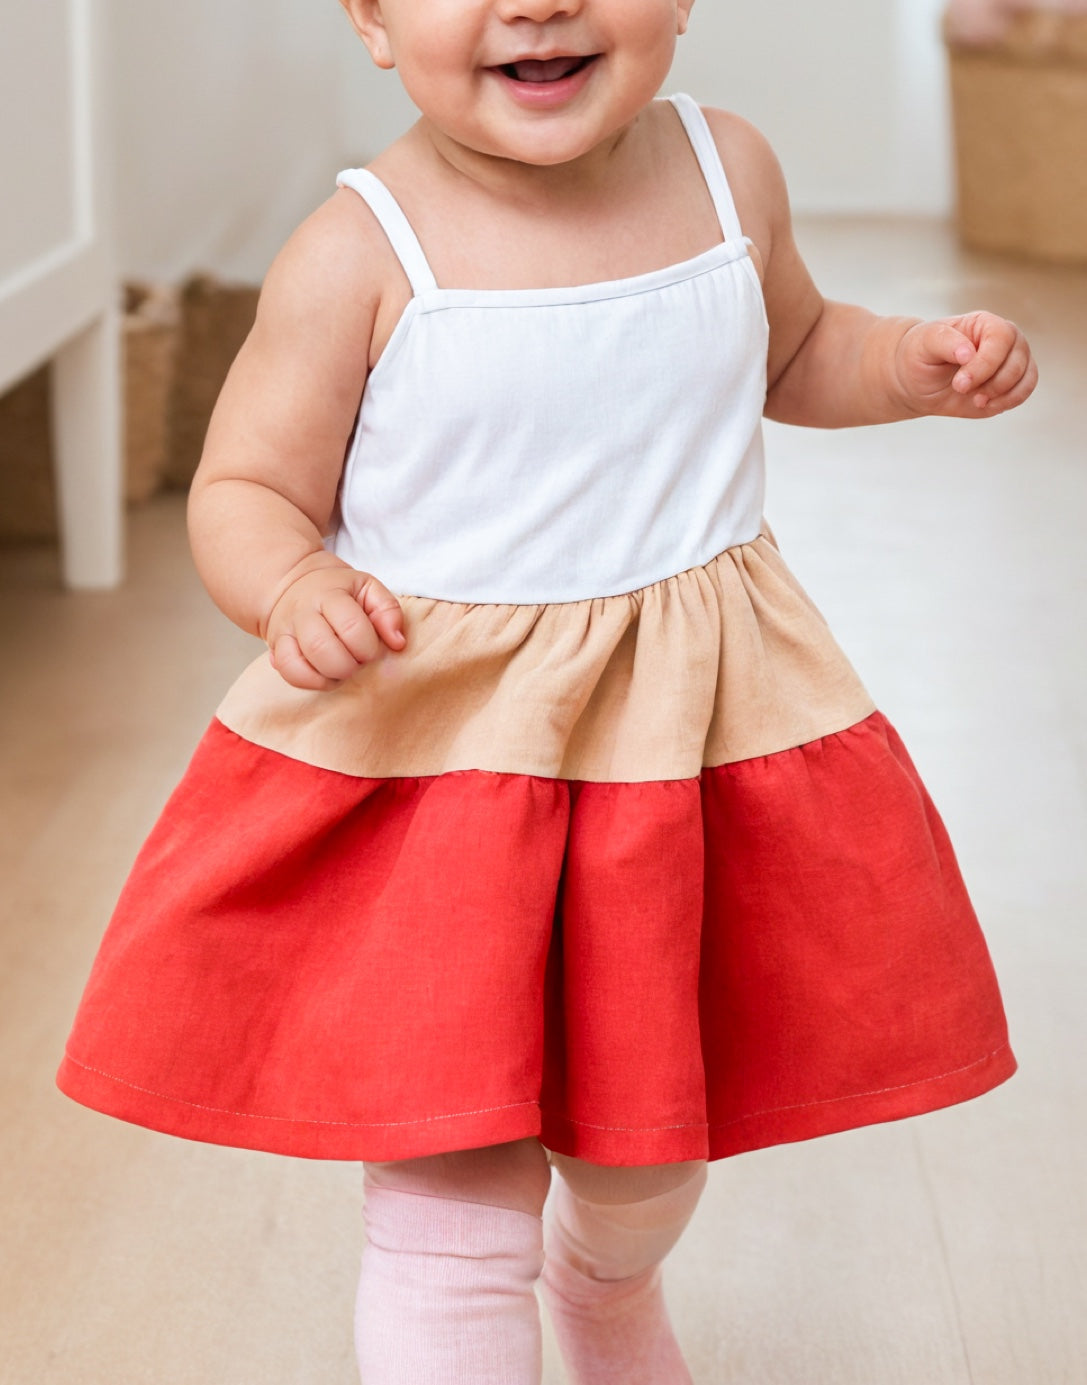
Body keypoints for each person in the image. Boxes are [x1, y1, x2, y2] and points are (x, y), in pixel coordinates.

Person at [58, 1, 1036, 1380]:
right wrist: (290, 587)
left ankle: (606, 1286)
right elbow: (247, 486)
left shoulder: (727, 170)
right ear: (373, 19)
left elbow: (794, 349)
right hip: (449, 770)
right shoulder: (358, 250)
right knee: (452, 1200)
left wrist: (907, 367)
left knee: (645, 1161)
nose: (537, 1)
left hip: (678, 750)